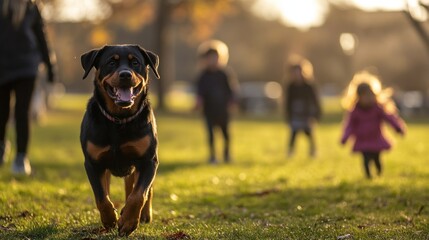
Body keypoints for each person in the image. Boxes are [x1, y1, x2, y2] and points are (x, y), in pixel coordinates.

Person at [0, 0, 56, 175]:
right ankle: (2, 148)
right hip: (3, 66)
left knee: (21, 113)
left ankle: (20, 157)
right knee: (2, 111)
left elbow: (41, 37)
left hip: (26, 68)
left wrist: (51, 67)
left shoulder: (32, 7)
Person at [340, 71, 406, 179]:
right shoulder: (355, 111)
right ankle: (368, 176)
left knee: (376, 158)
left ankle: (379, 171)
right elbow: (349, 125)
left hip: (376, 139)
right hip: (362, 140)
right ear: (358, 97)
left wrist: (398, 128)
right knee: (365, 159)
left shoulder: (378, 108)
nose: (368, 98)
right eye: (365, 96)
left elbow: (389, 118)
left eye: (370, 95)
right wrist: (345, 137)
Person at [195, 40, 238, 164]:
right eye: (210, 58)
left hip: (223, 110)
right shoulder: (203, 76)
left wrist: (232, 101)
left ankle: (227, 154)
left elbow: (232, 90)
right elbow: (200, 92)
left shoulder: (224, 74)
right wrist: (198, 102)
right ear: (205, 59)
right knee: (211, 134)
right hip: (209, 110)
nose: (213, 60)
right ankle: (213, 156)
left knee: (226, 134)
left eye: (215, 57)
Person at [283, 55, 321, 158]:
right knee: (294, 133)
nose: (296, 74)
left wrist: (316, 114)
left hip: (306, 114)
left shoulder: (308, 86)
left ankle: (313, 151)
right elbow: (287, 102)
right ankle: (290, 152)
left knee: (308, 133)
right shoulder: (290, 86)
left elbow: (315, 101)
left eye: (298, 72)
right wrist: (288, 115)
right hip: (295, 114)